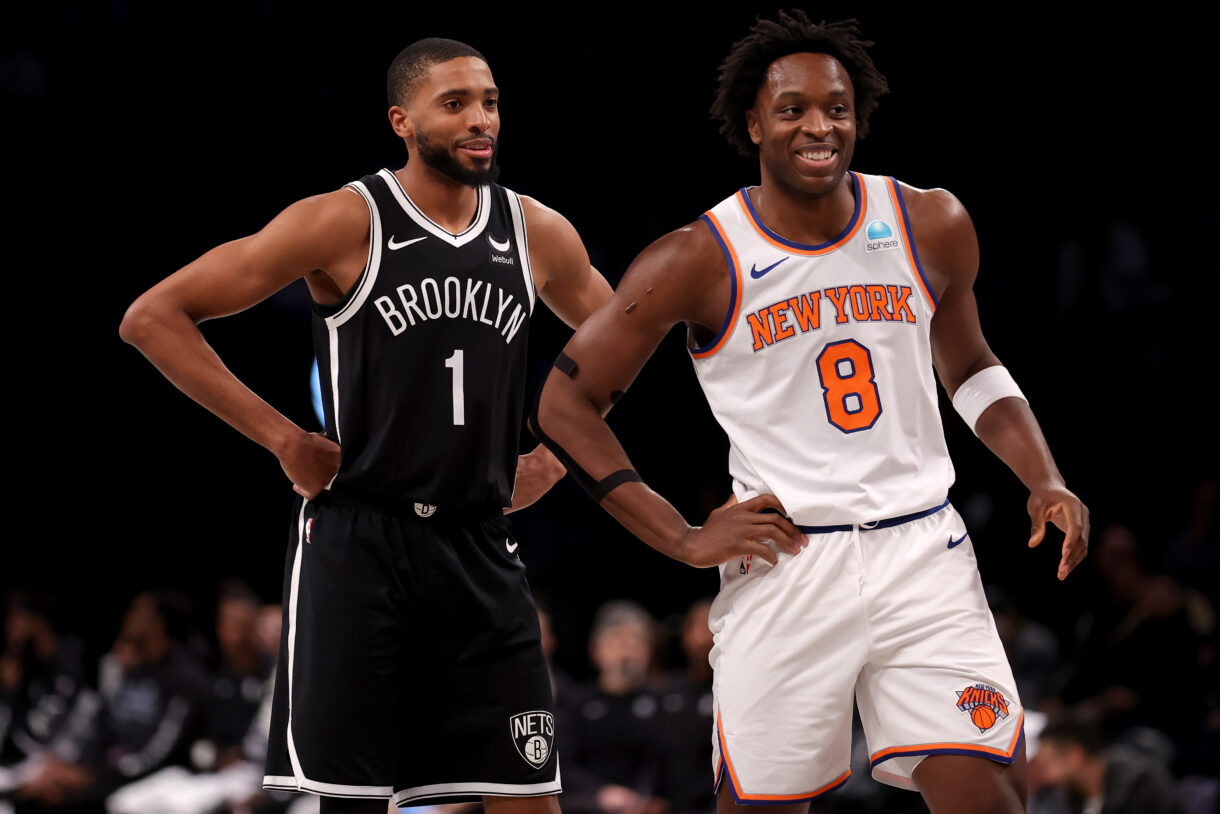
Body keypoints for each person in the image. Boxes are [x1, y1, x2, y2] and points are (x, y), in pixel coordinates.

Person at [531, 11, 1089, 814]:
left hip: (920, 550)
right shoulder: (697, 257)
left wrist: (1042, 476)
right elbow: (564, 402)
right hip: (789, 561)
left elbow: (969, 365)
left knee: (992, 793)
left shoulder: (930, 222)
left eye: (836, 107)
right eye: (792, 109)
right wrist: (682, 539)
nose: (818, 125)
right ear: (753, 122)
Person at [119, 37, 612, 814]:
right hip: (361, 543)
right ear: (402, 122)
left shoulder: (537, 231)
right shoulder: (344, 221)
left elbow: (621, 341)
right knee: (355, 803)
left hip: (480, 544)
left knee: (527, 797)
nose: (480, 119)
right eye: (454, 104)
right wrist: (284, 439)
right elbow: (153, 318)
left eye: (488, 101)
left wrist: (559, 453)